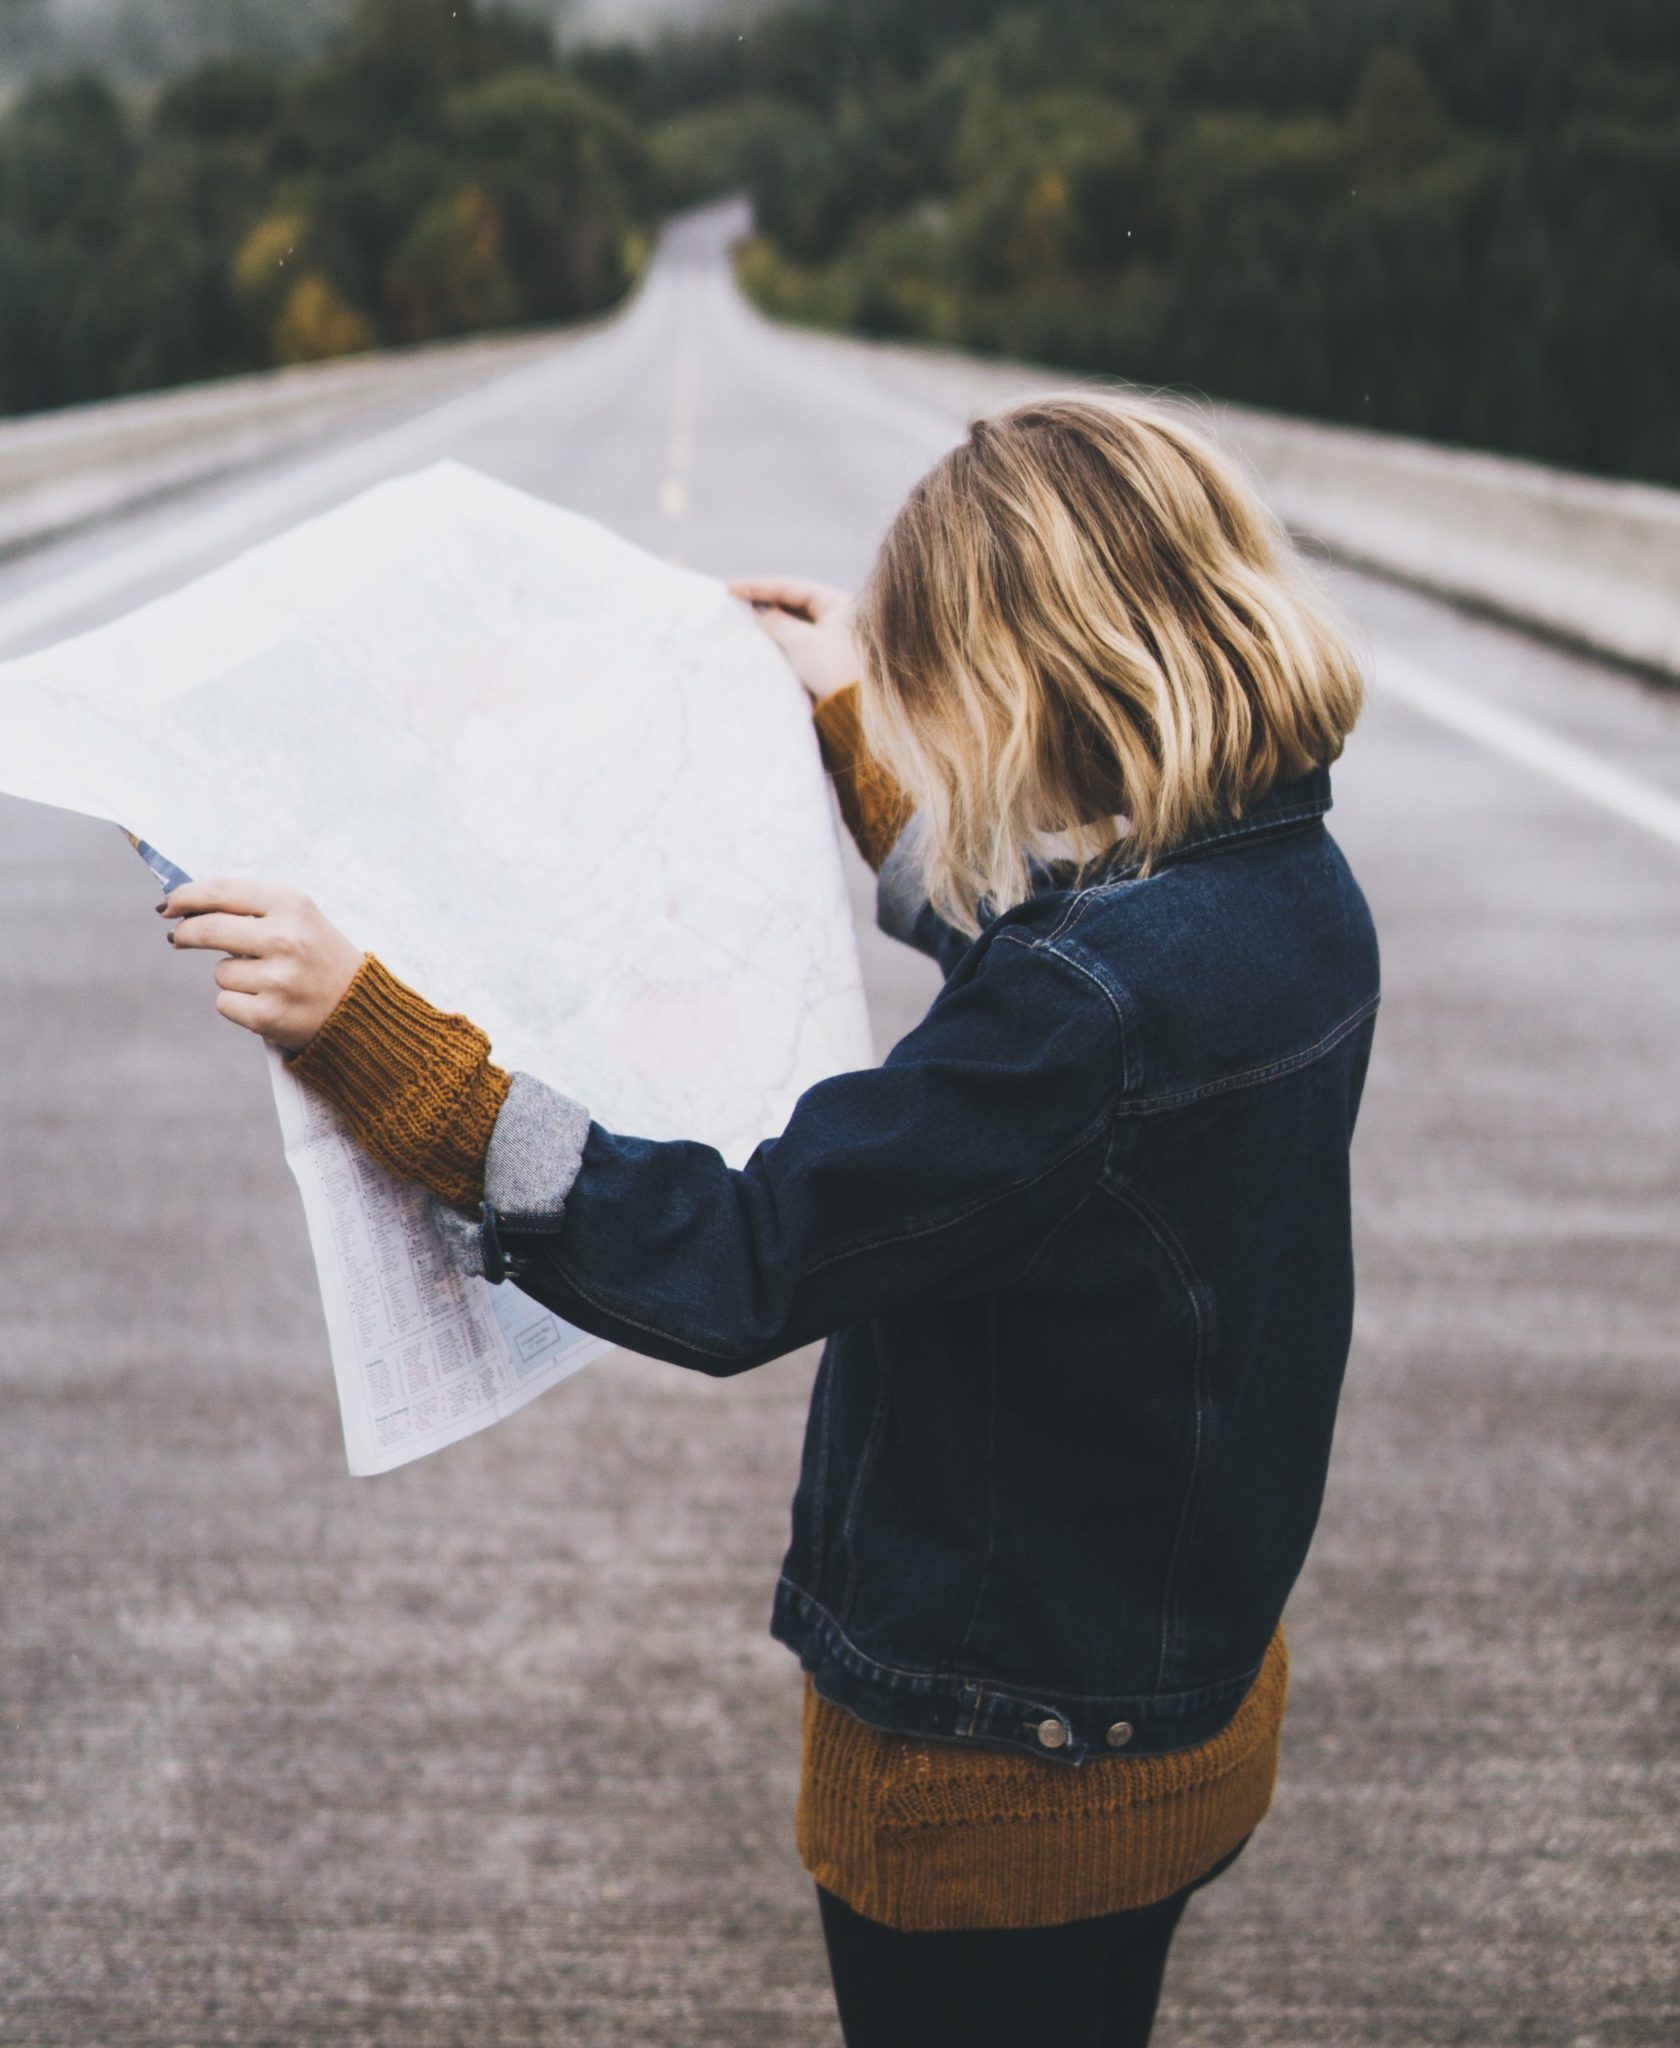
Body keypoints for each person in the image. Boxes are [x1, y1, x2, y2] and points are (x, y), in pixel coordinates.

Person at [160, 394, 1379, 2048]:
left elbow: (741, 1255)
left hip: (990, 1785)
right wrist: (859, 730)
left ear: (1034, 688)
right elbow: (1058, 1008)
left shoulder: (1083, 1022)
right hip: (1172, 1716)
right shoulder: (1291, 896)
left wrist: (382, 1037)